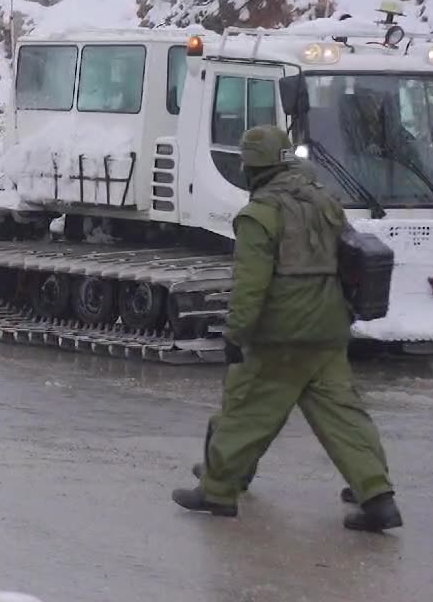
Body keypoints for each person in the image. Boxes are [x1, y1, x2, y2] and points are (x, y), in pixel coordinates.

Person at [171, 126, 402, 532]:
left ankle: (219, 490)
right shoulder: (325, 200)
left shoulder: (259, 216)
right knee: (343, 416)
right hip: (329, 328)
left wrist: (235, 333)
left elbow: (251, 286)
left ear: (251, 168)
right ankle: (377, 495)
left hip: (281, 334)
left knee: (247, 409)